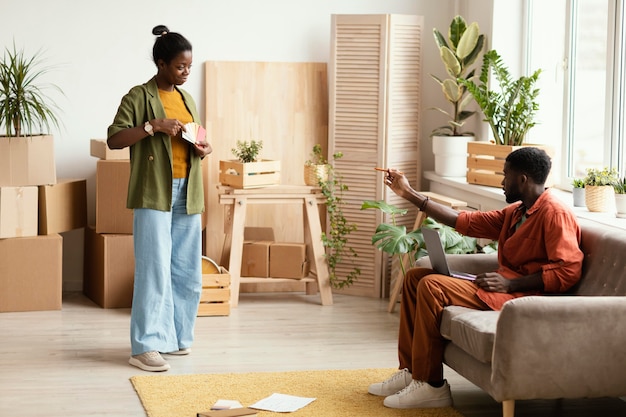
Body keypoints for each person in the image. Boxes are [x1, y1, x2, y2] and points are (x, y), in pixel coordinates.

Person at [369, 147, 583, 408]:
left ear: (523, 179)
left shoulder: (554, 214)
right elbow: (464, 221)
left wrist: (511, 283)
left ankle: (431, 385)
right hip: (503, 286)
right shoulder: (517, 212)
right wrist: (409, 194)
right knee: (415, 277)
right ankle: (411, 370)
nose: (502, 183)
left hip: (524, 296)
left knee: (432, 286)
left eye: (506, 176)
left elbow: (568, 270)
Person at [107, 25, 212, 372]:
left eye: (189, 67)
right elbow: (115, 139)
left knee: (186, 270)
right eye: (180, 66)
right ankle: (146, 346)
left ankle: (178, 337)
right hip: (155, 190)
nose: (185, 72)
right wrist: (152, 127)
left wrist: (203, 147)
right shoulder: (138, 96)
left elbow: (195, 138)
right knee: (154, 268)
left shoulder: (187, 99)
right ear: (161, 62)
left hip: (188, 189)